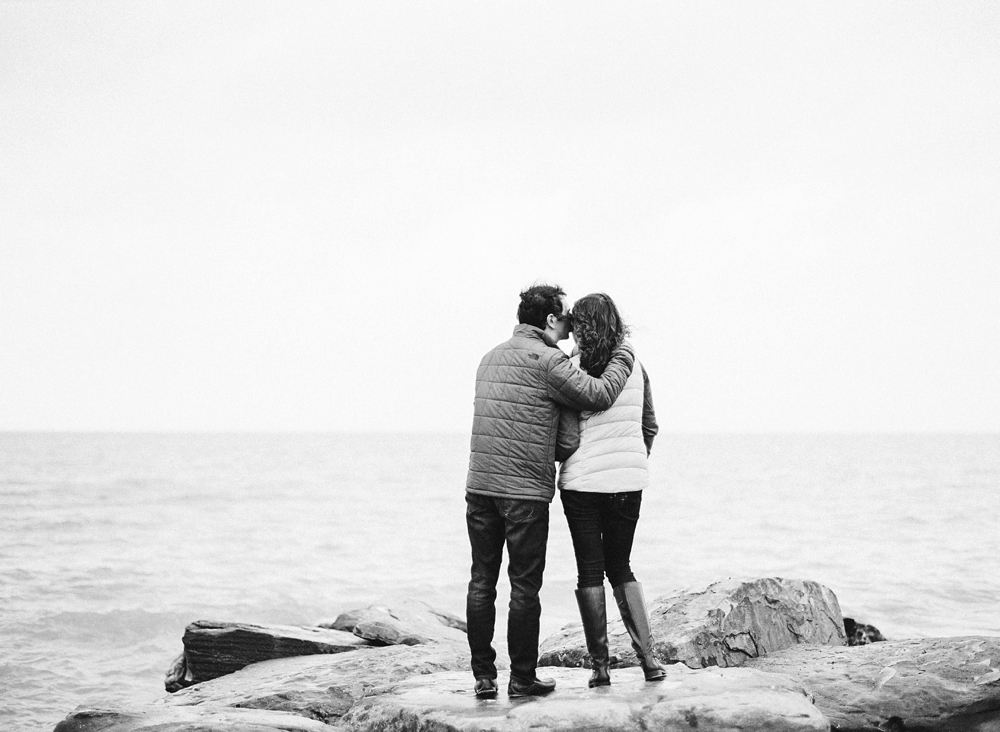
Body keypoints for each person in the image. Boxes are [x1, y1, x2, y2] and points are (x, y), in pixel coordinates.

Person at [466, 283, 636, 699]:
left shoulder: (488, 358)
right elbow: (599, 395)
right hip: (523, 492)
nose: (569, 326)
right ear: (548, 320)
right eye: (564, 318)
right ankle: (522, 679)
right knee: (524, 586)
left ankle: (484, 678)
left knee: (481, 581)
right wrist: (623, 357)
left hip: (479, 486)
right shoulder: (550, 361)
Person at [556, 292, 666, 687]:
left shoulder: (571, 367)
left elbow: (563, 432)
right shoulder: (634, 366)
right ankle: (649, 662)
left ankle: (600, 668)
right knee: (621, 567)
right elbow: (649, 423)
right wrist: (633, 458)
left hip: (582, 483)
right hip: (627, 482)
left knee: (590, 571)